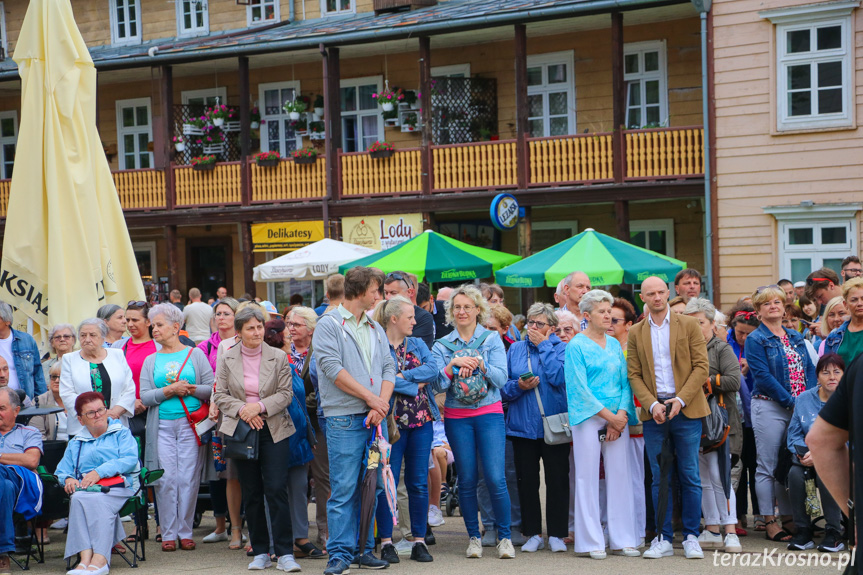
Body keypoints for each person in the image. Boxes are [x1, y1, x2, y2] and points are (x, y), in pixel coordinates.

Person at [312, 266, 395, 575]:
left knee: (371, 487)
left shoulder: (374, 324)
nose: (380, 296)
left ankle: (362, 550)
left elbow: (388, 365)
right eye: (377, 290)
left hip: (375, 418)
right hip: (344, 417)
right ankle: (339, 553)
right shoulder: (329, 323)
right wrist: (372, 399)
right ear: (361, 291)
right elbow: (332, 369)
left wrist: (380, 404)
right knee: (344, 488)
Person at [627, 276, 710, 560]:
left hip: (686, 408)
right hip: (655, 414)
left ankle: (690, 536)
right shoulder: (636, 332)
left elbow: (701, 367)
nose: (658, 297)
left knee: (689, 475)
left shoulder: (688, 324)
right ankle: (661, 538)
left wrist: (680, 399)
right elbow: (634, 374)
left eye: (661, 292)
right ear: (643, 298)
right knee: (659, 477)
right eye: (651, 293)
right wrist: (651, 405)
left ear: (668, 293)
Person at [213, 307, 300, 572]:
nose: (257, 332)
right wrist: (244, 410)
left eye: (259, 327)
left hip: (273, 428)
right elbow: (220, 395)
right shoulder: (227, 358)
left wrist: (258, 407)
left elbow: (286, 394)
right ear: (238, 333)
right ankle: (260, 551)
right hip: (242, 430)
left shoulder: (279, 356)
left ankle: (285, 553)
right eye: (250, 328)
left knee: (276, 489)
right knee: (251, 492)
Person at [431, 284, 513, 560]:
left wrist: (481, 364)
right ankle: (474, 538)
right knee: (466, 479)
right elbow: (436, 385)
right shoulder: (442, 345)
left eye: (468, 306)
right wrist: (452, 366)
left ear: (479, 310)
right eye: (457, 307)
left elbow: (502, 379)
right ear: (451, 312)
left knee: (494, 477)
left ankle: (504, 538)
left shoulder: (491, 340)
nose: (462, 311)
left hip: (489, 413)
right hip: (457, 416)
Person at [566, 290, 639, 559]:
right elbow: (578, 389)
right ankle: (590, 541)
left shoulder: (614, 345)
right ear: (586, 316)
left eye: (609, 311)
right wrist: (609, 417)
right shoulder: (576, 346)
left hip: (617, 417)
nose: (608, 315)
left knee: (620, 475)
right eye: (602, 311)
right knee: (586, 477)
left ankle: (622, 539)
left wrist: (619, 417)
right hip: (589, 417)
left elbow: (625, 382)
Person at [139, 304, 214, 552]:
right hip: (161, 426)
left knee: (188, 478)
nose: (154, 329)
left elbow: (212, 389)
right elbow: (145, 397)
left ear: (175, 327)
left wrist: (191, 389)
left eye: (159, 325)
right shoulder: (151, 360)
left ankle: (185, 531)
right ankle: (168, 532)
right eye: (153, 325)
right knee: (167, 479)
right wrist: (170, 390)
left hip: (191, 425)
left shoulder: (195, 355)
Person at [744, 284, 815, 542]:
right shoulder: (755, 339)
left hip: (799, 408)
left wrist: (807, 401)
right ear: (758, 311)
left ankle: (789, 517)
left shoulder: (796, 336)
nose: (773, 306)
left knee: (791, 463)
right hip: (770, 406)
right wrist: (791, 401)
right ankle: (769, 519)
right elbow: (761, 376)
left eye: (777, 302)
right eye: (767, 303)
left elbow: (808, 370)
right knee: (768, 465)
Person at [373, 296, 438, 564]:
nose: (415, 321)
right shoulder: (377, 345)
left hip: (421, 421)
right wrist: (413, 384)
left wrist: (402, 378)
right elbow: (377, 380)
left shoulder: (419, 343)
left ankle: (419, 540)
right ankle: (386, 541)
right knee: (385, 481)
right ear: (394, 319)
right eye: (410, 317)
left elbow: (433, 371)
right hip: (390, 423)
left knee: (418, 482)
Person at [501, 303, 568, 554]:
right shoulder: (515, 349)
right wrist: (519, 386)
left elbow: (558, 378)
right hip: (521, 426)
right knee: (526, 481)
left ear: (552, 328)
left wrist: (544, 346)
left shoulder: (561, 348)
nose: (533, 328)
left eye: (540, 324)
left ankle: (558, 534)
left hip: (554, 424)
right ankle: (533, 533)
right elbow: (503, 388)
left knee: (557, 480)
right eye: (530, 322)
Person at [56, 391, 139, 575]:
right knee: (77, 498)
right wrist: (68, 478)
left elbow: (130, 459)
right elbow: (62, 471)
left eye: (100, 410)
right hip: (88, 491)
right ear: (80, 419)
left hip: (120, 487)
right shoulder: (76, 442)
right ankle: (85, 559)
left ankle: (100, 559)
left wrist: (99, 472)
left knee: (95, 500)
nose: (98, 415)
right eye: (91, 413)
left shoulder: (121, 433)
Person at [684, 298, 743, 553]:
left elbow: (734, 381)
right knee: (702, 478)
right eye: (691, 323)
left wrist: (705, 379)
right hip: (692, 420)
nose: (696, 327)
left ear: (711, 323)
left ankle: (730, 530)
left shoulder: (721, 348)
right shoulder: (682, 348)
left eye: (700, 322)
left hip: (721, 422)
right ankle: (711, 527)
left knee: (721, 476)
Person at [785, 353, 845, 552]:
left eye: (837, 372)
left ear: (845, 375)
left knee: (825, 471)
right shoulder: (803, 399)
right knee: (794, 474)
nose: (832, 377)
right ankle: (803, 530)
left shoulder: (851, 399)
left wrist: (822, 454)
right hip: (807, 458)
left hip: (841, 461)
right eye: (825, 372)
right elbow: (793, 434)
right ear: (817, 376)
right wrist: (804, 453)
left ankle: (834, 532)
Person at [198, 297, 244, 549]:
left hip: (253, 411)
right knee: (225, 472)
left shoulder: (260, 343)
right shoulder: (214, 346)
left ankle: (247, 527)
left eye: (227, 313)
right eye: (219, 313)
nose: (221, 318)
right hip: (225, 415)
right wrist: (215, 402)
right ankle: (228, 527)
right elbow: (217, 381)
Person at [608, 297, 645, 543]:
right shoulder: (603, 347)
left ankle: (637, 531)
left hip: (634, 421)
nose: (608, 323)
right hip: (607, 421)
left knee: (635, 479)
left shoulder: (634, 351)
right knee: (612, 480)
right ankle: (614, 530)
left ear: (629, 324)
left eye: (614, 320)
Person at [59, 319, 135, 438]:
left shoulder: (117, 355)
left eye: (93, 335)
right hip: (83, 428)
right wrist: (95, 415)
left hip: (116, 423)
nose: (87, 339)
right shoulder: (69, 359)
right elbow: (67, 393)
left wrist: (115, 412)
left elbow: (129, 388)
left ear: (103, 337)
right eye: (83, 335)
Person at [0, 386, 43, 575]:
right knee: (4, 486)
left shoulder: (29, 432)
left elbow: (31, 460)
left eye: (1, 408)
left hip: (21, 484)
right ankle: (3, 553)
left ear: (16, 411)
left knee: (7, 481)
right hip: (7, 487)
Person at [726, 303, 761, 530]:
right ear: (732, 327)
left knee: (756, 466)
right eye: (740, 332)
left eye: (749, 334)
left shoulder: (758, 344)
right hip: (733, 415)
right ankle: (737, 515)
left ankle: (759, 513)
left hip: (755, 414)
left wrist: (751, 370)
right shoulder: (725, 343)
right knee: (735, 465)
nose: (744, 338)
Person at [0, 303, 45, 401]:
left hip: (25, 401)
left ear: (7, 321)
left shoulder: (26, 340)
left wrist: (40, 401)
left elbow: (38, 374)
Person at [383, 271, 435, 349]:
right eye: (385, 293)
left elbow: (417, 351)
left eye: (393, 293)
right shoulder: (379, 313)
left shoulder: (424, 317)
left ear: (410, 292)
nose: (388, 297)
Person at [822, 277, 863, 367]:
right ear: (845, 304)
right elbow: (828, 368)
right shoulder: (834, 335)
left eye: (862, 298)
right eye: (854, 300)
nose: (859, 303)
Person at [32, 363, 67, 441]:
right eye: (54, 377)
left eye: (61, 377)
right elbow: (38, 435)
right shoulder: (39, 401)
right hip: (52, 449)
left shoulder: (79, 400)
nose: (57, 380)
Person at [41, 323, 76, 389]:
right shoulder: (44, 367)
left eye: (66, 336)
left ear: (73, 340)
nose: (62, 339)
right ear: (52, 343)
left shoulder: (83, 363)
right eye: (58, 337)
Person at [286, 307, 316, 371]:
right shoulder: (285, 349)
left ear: (311, 329)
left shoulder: (318, 350)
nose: (291, 328)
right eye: (290, 324)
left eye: (296, 325)